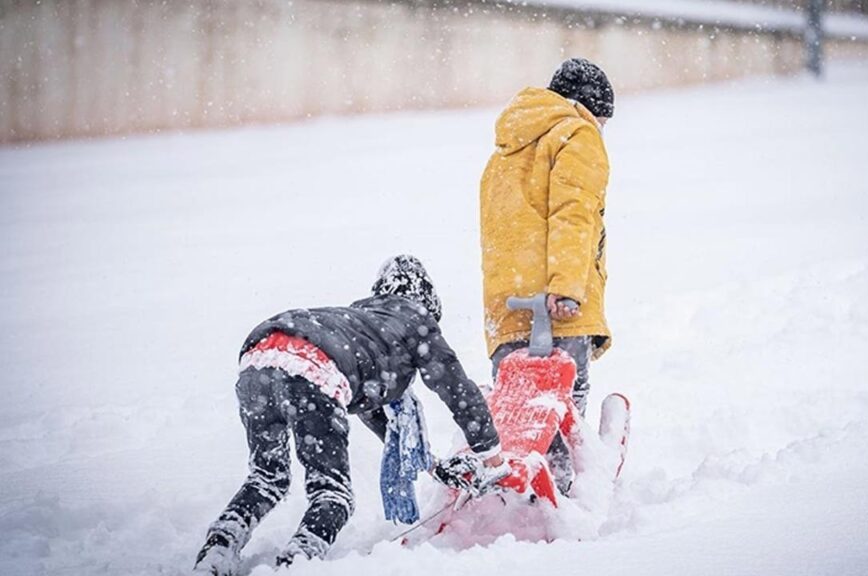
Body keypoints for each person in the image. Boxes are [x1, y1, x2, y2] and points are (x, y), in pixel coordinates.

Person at [194, 255, 507, 574]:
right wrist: (493, 457)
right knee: (332, 495)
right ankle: (294, 564)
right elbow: (458, 390)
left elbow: (375, 413)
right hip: (312, 368)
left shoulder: (360, 324)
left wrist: (434, 467)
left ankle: (218, 550)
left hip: (258, 359)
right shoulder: (415, 319)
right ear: (427, 302)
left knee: (267, 477)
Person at [479, 57, 615, 494]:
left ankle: (519, 490)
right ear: (589, 108)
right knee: (563, 405)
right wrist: (567, 287)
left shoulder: (506, 148)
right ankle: (566, 491)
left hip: (506, 306)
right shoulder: (578, 133)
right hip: (558, 302)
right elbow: (573, 215)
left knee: (520, 413)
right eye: (604, 120)